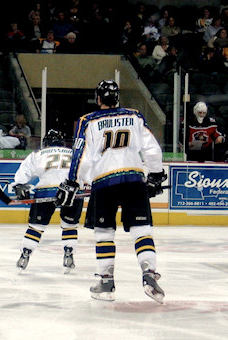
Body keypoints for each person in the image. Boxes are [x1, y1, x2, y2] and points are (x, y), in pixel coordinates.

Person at [54, 80, 167, 303]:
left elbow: (81, 155)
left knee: (104, 234)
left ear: (98, 99)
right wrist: (154, 174)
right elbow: (152, 148)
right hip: (134, 178)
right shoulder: (135, 116)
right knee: (142, 230)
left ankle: (106, 281)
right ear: (117, 98)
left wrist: (72, 182)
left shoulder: (89, 121)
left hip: (104, 182)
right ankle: (149, 275)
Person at [12, 130, 84, 273]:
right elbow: (85, 170)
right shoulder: (73, 153)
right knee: (69, 225)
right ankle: (68, 253)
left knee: (36, 226)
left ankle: (25, 253)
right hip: (72, 191)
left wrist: (19, 184)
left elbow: (24, 170)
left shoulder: (38, 154)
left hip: (46, 189)